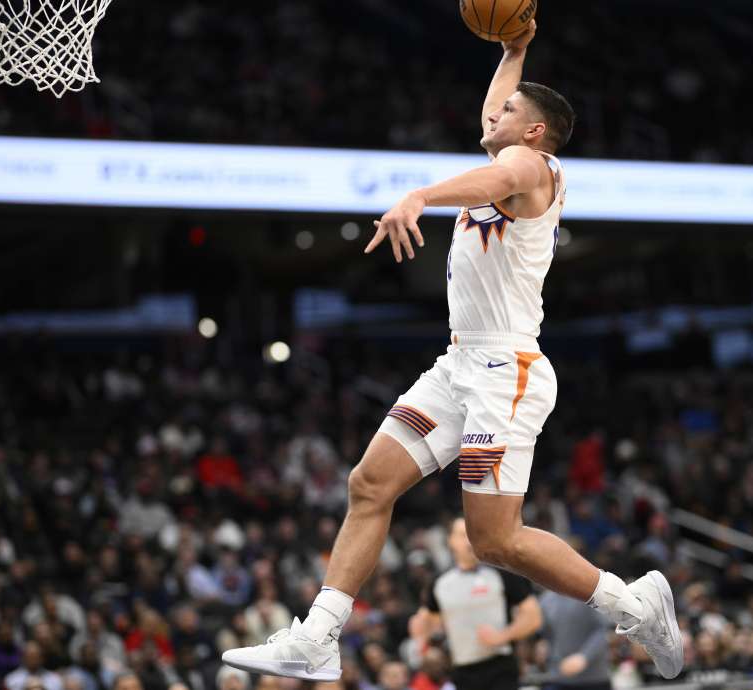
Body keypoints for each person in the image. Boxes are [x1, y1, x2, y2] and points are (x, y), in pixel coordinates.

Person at [220, 19, 682, 683]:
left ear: (534, 131)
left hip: (507, 369)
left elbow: (502, 169)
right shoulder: (509, 155)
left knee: (495, 539)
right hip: (459, 363)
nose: (495, 113)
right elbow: (498, 123)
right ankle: (318, 637)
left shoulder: (534, 167)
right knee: (368, 483)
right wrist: (514, 52)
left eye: (512, 110)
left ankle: (634, 604)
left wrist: (419, 196)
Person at [407, 519, 541, 690]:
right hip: (462, 670)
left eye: (473, 535)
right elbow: (427, 624)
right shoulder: (439, 583)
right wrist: (420, 632)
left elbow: (534, 616)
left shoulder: (502, 573)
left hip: (501, 665)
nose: (469, 541)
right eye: (463, 535)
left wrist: (504, 636)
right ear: (451, 541)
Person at [537, 589, 614, 690]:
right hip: (557, 677)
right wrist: (541, 644)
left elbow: (603, 630)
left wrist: (584, 656)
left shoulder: (588, 594)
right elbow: (544, 633)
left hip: (593, 679)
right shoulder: (546, 599)